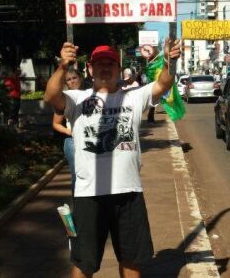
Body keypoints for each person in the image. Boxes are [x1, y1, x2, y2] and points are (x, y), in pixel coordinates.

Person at [44, 39, 181, 278]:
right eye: (99, 64)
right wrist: (62, 66)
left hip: (128, 192)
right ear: (90, 69)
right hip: (89, 194)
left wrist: (171, 60)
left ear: (119, 69)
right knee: (83, 262)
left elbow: (163, 83)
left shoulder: (134, 97)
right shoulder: (77, 98)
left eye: (111, 63)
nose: (105, 68)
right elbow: (51, 96)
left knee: (132, 260)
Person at [52, 68, 83, 190]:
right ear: (66, 83)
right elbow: (56, 123)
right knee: (77, 176)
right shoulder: (64, 100)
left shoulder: (90, 94)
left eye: (74, 78)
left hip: (89, 140)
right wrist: (69, 131)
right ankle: (78, 207)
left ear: (80, 78)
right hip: (72, 142)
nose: (72, 81)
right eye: (68, 80)